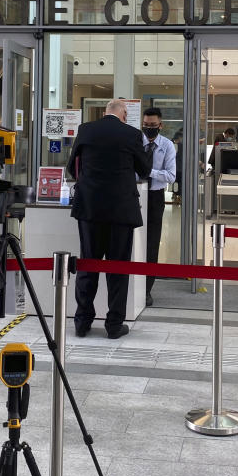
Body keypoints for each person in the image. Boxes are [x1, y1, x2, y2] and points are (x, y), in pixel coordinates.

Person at [67, 99, 151, 339]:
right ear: (123, 114)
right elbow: (144, 170)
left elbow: (72, 168)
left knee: (88, 264)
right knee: (118, 268)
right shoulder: (132, 134)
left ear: (105, 113)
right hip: (121, 211)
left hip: (90, 209)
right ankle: (114, 325)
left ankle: (82, 323)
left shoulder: (86, 130)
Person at [140, 107, 176, 307]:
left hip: (155, 198)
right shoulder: (136, 143)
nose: (149, 128)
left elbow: (171, 176)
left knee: (152, 243)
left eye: (153, 125)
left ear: (160, 125)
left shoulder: (167, 145)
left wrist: (148, 171)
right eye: (146, 125)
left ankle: (146, 289)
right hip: (135, 195)